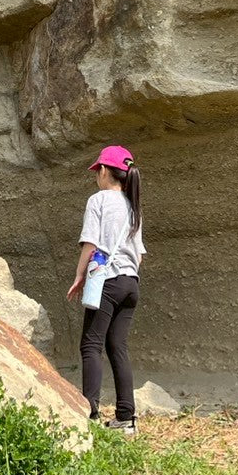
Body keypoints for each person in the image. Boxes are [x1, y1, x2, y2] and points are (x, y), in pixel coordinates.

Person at [66, 144, 145, 433]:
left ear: (103, 171)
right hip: (130, 283)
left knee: (90, 344)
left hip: (109, 281)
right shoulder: (132, 205)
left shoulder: (98, 200)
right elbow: (139, 255)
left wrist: (79, 277)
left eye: (97, 171)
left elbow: (91, 243)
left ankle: (90, 415)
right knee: (118, 346)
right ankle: (127, 418)